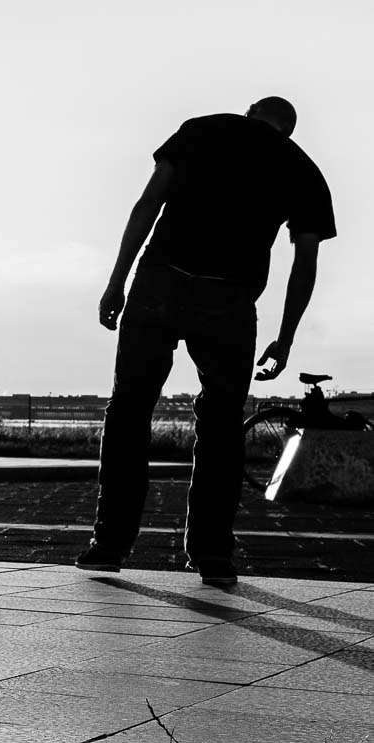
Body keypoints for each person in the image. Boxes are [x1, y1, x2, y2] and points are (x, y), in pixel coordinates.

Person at [79, 96, 336, 586]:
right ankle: (212, 552)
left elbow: (148, 205)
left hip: (159, 281)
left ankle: (109, 544)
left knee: (130, 408)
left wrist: (116, 281)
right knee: (220, 424)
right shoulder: (302, 168)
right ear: (289, 129)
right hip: (229, 300)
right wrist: (284, 337)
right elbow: (305, 265)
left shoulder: (201, 130)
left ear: (249, 113)